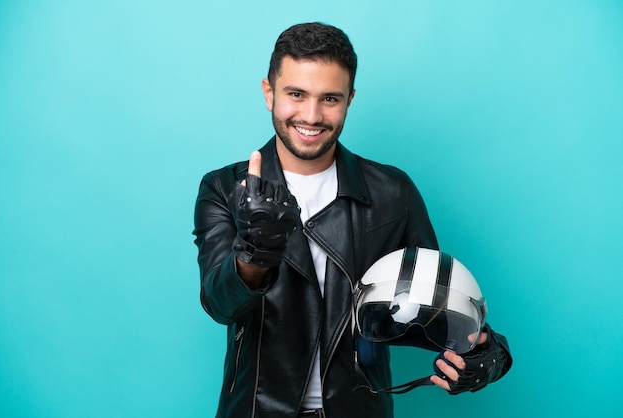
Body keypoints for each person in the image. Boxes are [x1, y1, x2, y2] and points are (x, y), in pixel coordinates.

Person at [193, 22, 511, 418]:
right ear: (269, 92)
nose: (311, 115)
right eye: (296, 94)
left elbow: (430, 306)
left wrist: (486, 352)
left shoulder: (393, 193)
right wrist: (255, 254)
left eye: (329, 98)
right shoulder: (224, 188)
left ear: (350, 99)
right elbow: (219, 303)